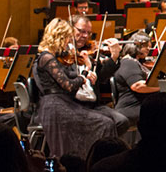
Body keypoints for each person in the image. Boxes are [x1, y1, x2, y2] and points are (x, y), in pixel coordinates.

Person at [31, 19, 120, 158]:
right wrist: (85, 73)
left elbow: (68, 75)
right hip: (55, 107)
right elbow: (68, 85)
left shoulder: (53, 57)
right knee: (104, 124)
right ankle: (92, 161)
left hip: (63, 104)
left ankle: (91, 161)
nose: (68, 42)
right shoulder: (46, 57)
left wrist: (86, 70)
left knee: (106, 122)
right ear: (59, 37)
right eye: (67, 37)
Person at [112, 32, 160, 127]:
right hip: (132, 108)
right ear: (136, 45)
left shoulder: (136, 62)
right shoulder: (129, 63)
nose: (148, 49)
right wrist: (163, 86)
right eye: (146, 46)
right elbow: (138, 86)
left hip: (140, 106)